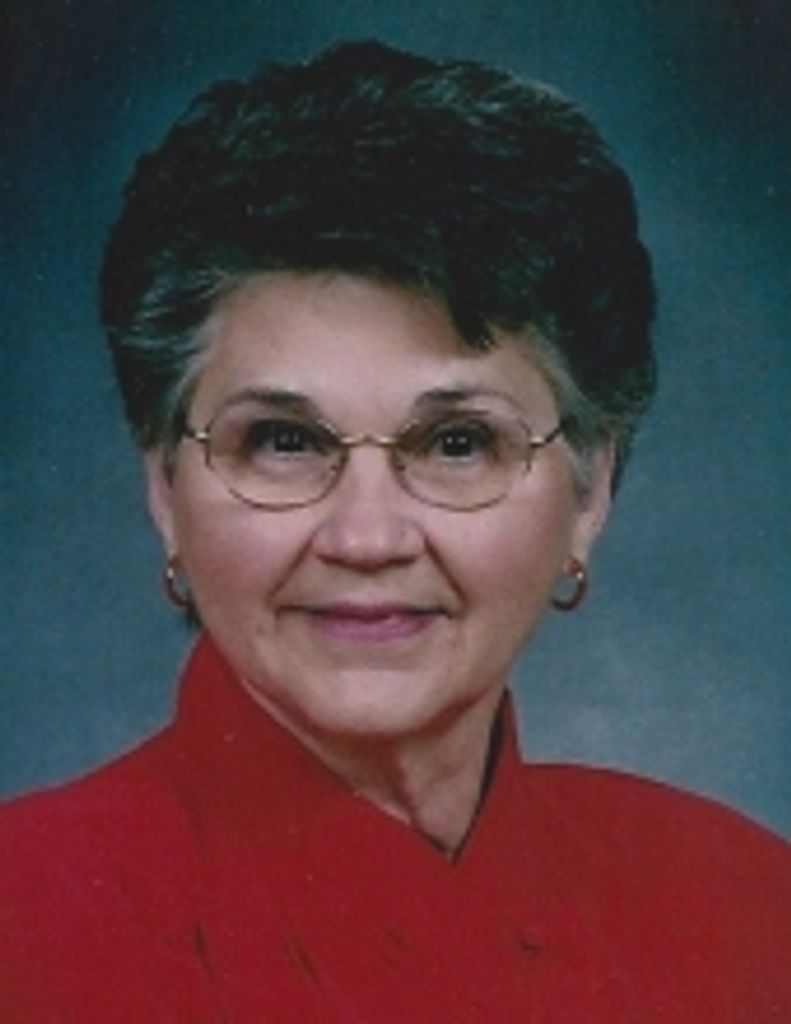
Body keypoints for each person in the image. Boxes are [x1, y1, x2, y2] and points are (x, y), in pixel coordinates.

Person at [1, 39, 788, 1023]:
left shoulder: (744, 908)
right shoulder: (24, 927)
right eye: (283, 441)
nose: (366, 537)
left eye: (457, 442)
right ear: (165, 485)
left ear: (590, 492)